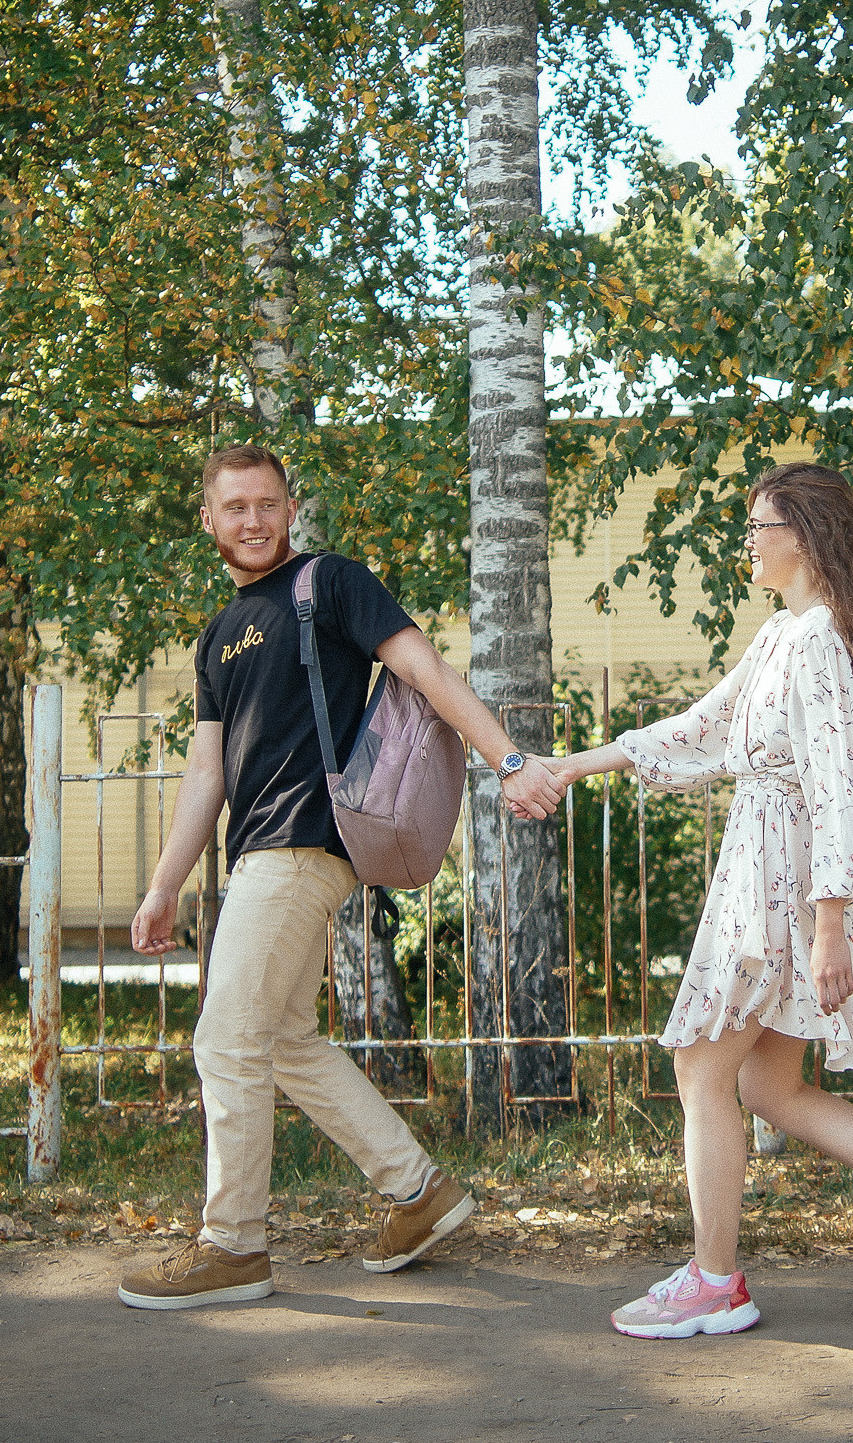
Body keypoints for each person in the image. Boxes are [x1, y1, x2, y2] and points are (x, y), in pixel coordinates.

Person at [543, 462, 853, 1337]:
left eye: (760, 526)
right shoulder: (784, 636)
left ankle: (716, 1280)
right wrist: (575, 764)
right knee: (768, 1084)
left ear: (808, 535)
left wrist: (833, 927)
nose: (747, 542)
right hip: (770, 871)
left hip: (781, 887)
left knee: (701, 1068)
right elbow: (700, 729)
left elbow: (840, 788)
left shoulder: (818, 639)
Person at [117, 444, 563, 1311]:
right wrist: (165, 882)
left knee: (224, 1038)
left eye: (267, 504)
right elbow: (206, 775)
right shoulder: (217, 636)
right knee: (282, 1040)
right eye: (235, 506)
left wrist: (508, 759)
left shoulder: (330, 583)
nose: (252, 521)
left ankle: (234, 1245)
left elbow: (425, 672)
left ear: (291, 511)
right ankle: (418, 1191)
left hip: (305, 842)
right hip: (259, 853)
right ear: (207, 518)